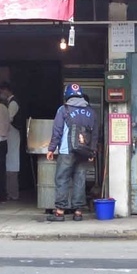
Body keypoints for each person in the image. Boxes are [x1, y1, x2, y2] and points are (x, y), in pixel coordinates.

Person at [46, 83, 99, 222]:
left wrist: (51, 148)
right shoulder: (91, 112)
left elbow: (57, 131)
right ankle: (78, 212)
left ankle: (60, 212)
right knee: (80, 180)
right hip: (84, 152)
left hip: (66, 151)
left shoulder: (63, 110)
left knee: (62, 179)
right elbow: (95, 134)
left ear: (67, 95)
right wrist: (92, 152)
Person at [0, 82, 23, 201]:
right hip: (9, 134)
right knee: (10, 161)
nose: (0, 94)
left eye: (1, 92)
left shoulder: (13, 103)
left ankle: (13, 193)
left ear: (6, 90)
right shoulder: (9, 102)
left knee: (12, 162)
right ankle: (10, 192)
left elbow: (8, 118)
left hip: (12, 134)